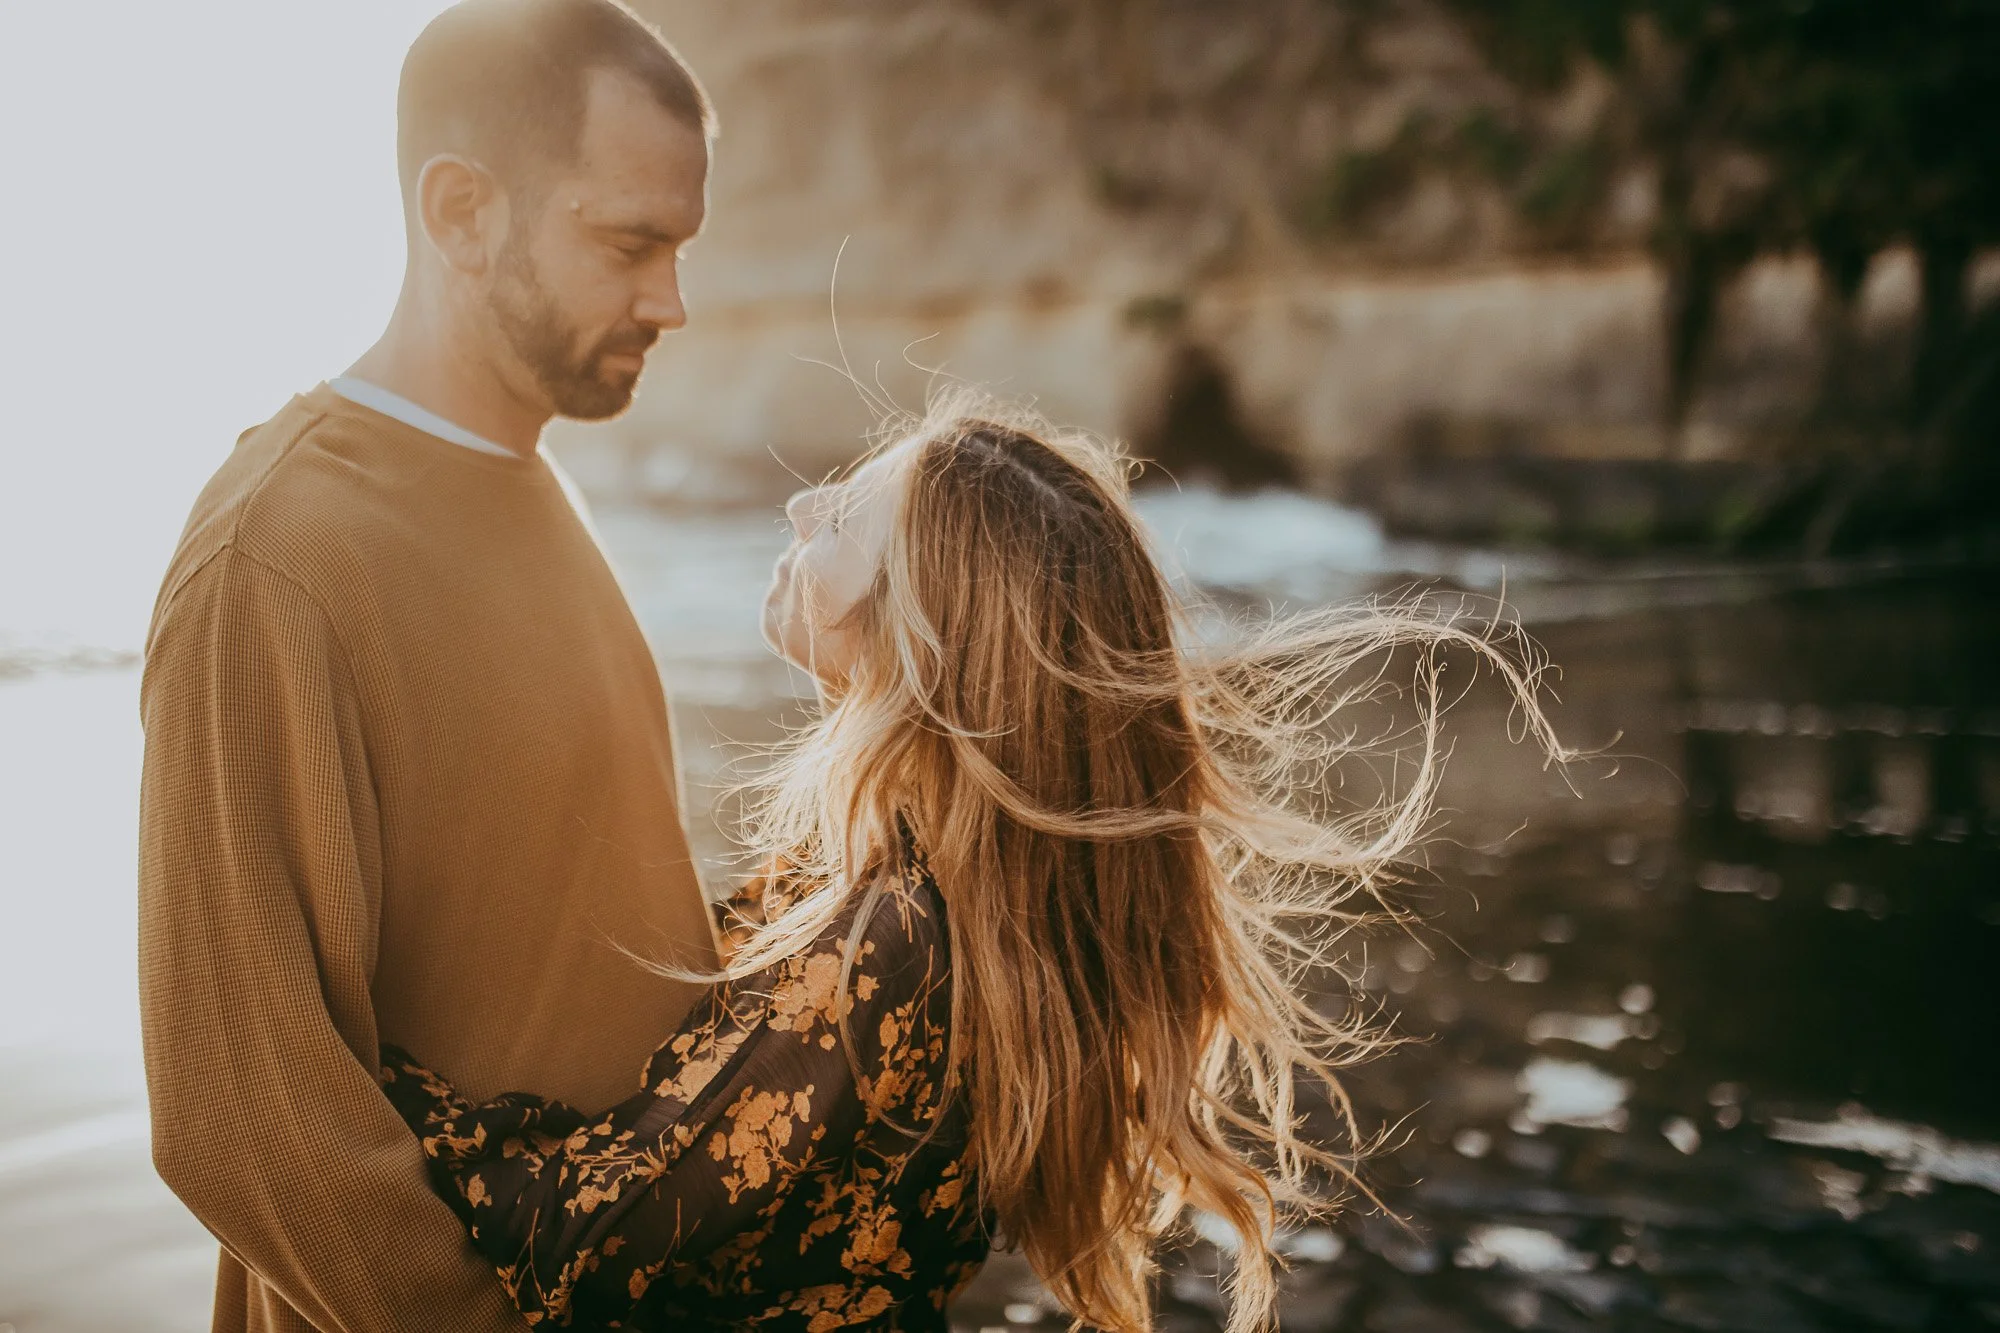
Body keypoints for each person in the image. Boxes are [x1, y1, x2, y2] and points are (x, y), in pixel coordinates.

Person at [381, 394, 1570, 1333]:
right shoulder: (954, 899)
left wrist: (346, 1039)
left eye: (845, 515)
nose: (802, 509)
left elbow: (572, 1236)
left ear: (924, 633)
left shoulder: (887, 936)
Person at [136, 3, 719, 1330]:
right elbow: (239, 1111)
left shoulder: (534, 488)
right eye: (630, 243)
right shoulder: (274, 559)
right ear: (460, 213)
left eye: (681, 247)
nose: (672, 300)